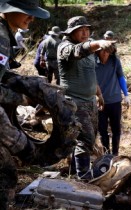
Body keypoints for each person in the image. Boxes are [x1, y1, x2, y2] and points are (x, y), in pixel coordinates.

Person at [0, 0, 50, 208]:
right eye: (26, 13)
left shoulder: (5, 33)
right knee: (17, 156)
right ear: (8, 11)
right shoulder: (1, 37)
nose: (31, 18)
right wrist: (23, 99)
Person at [57, 16, 116, 180]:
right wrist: (97, 44)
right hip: (74, 102)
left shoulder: (90, 52)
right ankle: (83, 176)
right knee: (86, 138)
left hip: (90, 101)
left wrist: (99, 94)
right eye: (81, 30)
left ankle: (75, 170)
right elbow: (77, 52)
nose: (85, 33)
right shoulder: (64, 47)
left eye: (87, 30)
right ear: (71, 32)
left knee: (88, 138)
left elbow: (91, 73)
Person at [95, 48, 130, 156]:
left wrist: (126, 94)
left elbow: (120, 77)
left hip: (115, 100)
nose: (105, 53)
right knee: (102, 130)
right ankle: (107, 153)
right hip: (99, 102)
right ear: (97, 52)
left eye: (107, 51)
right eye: (102, 51)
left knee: (116, 129)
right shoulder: (92, 63)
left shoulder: (114, 61)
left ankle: (115, 153)